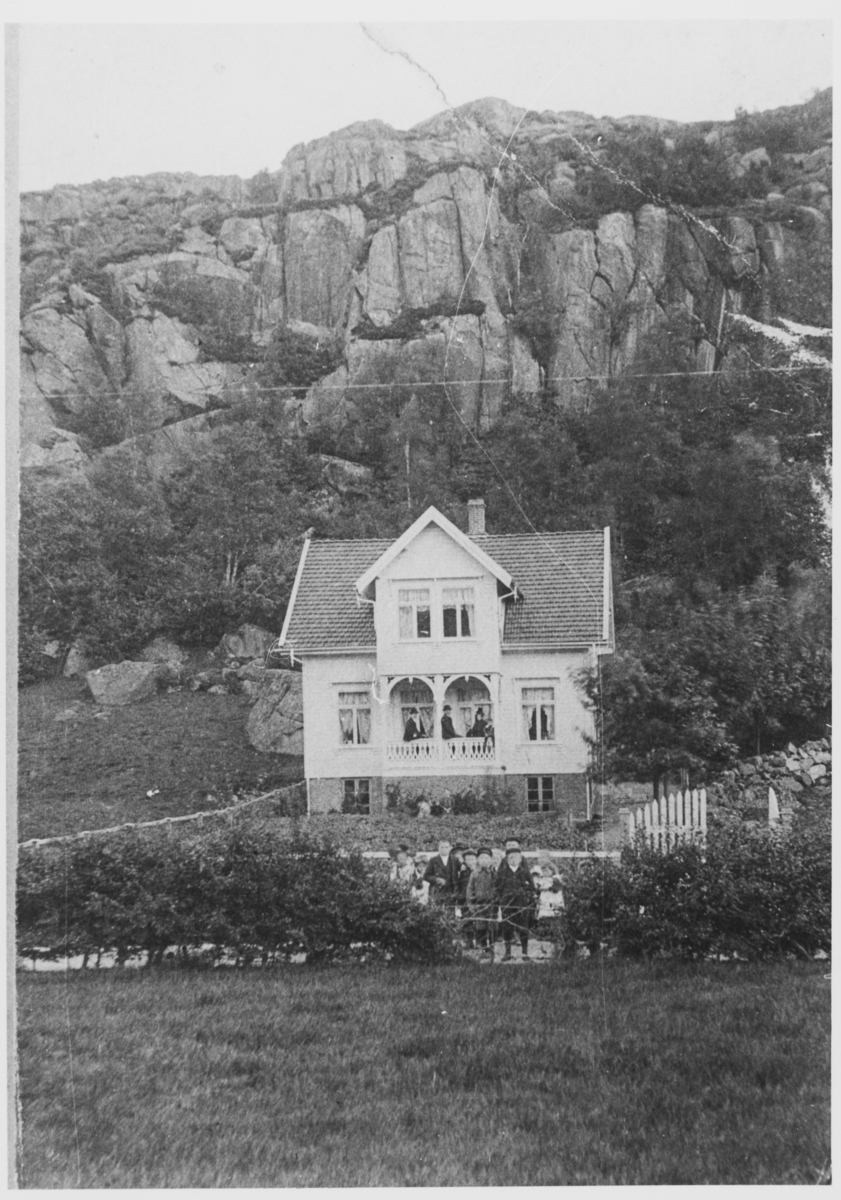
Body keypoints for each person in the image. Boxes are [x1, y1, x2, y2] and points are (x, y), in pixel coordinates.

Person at [495, 844, 537, 961]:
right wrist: (500, 899)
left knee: (523, 927)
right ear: (507, 859)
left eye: (516, 857)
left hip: (521, 903)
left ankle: (524, 952)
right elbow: (497, 887)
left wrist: (527, 895)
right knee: (507, 927)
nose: (514, 860)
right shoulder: (503, 872)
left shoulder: (524, 871)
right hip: (507, 904)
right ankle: (507, 952)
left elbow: (532, 887)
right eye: (511, 857)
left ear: (520, 859)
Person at [467, 847, 497, 958]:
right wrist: (471, 904)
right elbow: (470, 890)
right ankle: (484, 949)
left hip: (492, 904)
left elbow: (498, 887)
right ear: (478, 860)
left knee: (493, 927)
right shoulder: (474, 873)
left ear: (490, 860)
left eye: (486, 857)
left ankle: (492, 948)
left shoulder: (494, 873)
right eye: (481, 857)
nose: (484, 860)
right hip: (479, 904)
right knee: (481, 928)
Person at [423, 839, 460, 907]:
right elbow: (426, 876)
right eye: (442, 847)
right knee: (436, 912)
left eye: (446, 847)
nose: (444, 849)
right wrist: (436, 879)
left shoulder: (455, 859)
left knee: (450, 913)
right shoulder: (433, 860)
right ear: (438, 848)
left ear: (450, 848)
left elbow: (462, 871)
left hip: (451, 892)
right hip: (437, 891)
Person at [458, 848, 478, 947]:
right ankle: (468, 941)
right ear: (464, 861)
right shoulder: (463, 873)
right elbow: (460, 886)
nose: (470, 862)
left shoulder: (480, 871)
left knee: (478, 921)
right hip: (465, 901)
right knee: (466, 921)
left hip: (477, 901)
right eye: (468, 860)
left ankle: (478, 942)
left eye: (472, 859)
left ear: (476, 860)